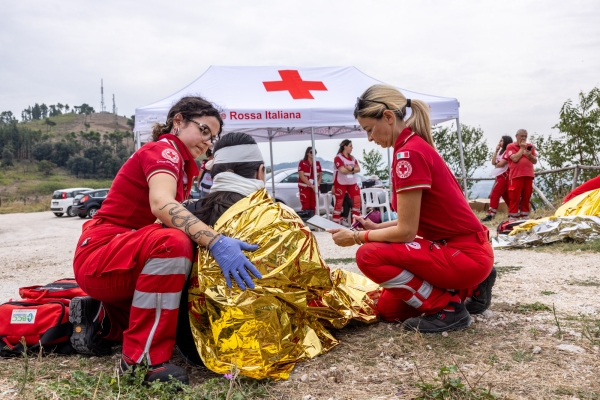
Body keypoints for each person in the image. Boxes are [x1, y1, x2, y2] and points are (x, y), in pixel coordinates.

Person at [69, 97, 262, 385]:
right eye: (204, 130)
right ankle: (141, 363)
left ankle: (101, 319)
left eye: (214, 137)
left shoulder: (183, 166)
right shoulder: (165, 152)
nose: (208, 142)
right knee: (173, 243)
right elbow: (162, 205)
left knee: (180, 244)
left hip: (122, 253)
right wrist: (215, 241)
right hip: (104, 250)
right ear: (178, 121)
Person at [177, 132, 377, 380]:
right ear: (261, 172)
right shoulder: (279, 217)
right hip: (260, 348)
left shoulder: (181, 215)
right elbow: (316, 283)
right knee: (345, 288)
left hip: (190, 347)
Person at [329, 84, 495, 333]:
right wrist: (375, 227)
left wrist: (356, 237)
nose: (370, 138)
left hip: (463, 253)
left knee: (368, 255)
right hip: (458, 248)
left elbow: (406, 231)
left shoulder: (408, 155)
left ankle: (449, 309)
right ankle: (467, 288)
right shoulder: (412, 147)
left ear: (387, 117)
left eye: (369, 129)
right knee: (390, 310)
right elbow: (411, 221)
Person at [502, 129, 537, 220]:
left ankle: (524, 214)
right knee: (514, 196)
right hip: (516, 175)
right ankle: (513, 216)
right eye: (522, 136)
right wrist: (522, 149)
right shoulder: (510, 146)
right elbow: (514, 159)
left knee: (527, 195)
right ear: (516, 136)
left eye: (525, 136)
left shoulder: (530, 146)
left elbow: (535, 161)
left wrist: (529, 155)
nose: (524, 138)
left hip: (528, 174)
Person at [481, 135, 513, 222]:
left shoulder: (508, 152)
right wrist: (496, 150)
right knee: (506, 196)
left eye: (502, 140)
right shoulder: (501, 152)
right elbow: (493, 162)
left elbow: (501, 164)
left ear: (506, 142)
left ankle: (491, 214)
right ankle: (515, 212)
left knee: (495, 194)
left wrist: (497, 164)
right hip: (500, 175)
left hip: (504, 176)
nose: (500, 142)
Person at [332, 139, 361, 225]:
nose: (352, 148)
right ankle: (336, 223)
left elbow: (358, 169)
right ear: (345, 146)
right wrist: (353, 170)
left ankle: (356, 223)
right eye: (350, 146)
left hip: (352, 182)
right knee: (339, 203)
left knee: (356, 201)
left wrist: (351, 169)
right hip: (340, 182)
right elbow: (342, 171)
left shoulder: (353, 158)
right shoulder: (338, 158)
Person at [297, 146, 322, 216]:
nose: (313, 154)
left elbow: (320, 176)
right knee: (305, 206)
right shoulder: (302, 163)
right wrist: (311, 185)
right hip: (305, 188)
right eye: (311, 152)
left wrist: (316, 185)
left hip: (314, 188)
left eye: (315, 152)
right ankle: (305, 224)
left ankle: (313, 224)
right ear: (307, 153)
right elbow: (302, 176)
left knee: (313, 206)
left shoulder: (317, 163)